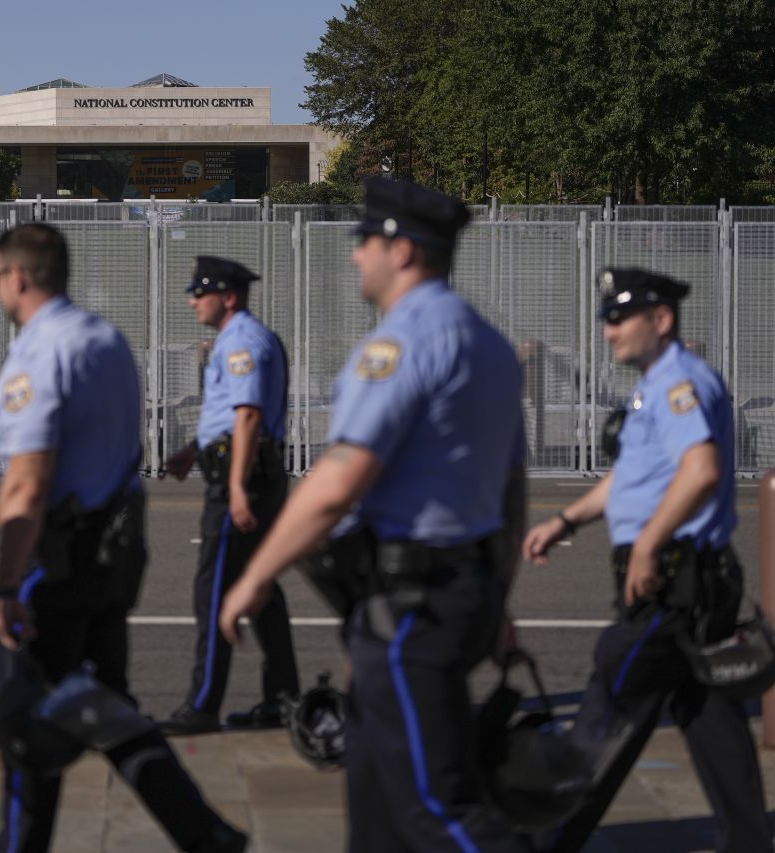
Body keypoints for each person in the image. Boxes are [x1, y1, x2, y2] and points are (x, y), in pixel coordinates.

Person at [219, 177, 528, 851]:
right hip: (454, 591)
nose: (356, 254)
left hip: (411, 608)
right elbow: (510, 489)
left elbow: (337, 483)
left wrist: (254, 577)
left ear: (404, 250)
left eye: (365, 240)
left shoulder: (401, 345)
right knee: (379, 804)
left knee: (432, 806)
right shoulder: (490, 345)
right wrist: (496, 588)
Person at [0, 223, 246, 853]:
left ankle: (20, 844)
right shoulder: (107, 340)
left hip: (60, 560)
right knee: (104, 705)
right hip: (114, 553)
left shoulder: (36, 355)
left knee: (29, 717)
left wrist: (6, 582)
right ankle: (202, 832)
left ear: (18, 277)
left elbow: (27, 481)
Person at [521, 268, 771, 853]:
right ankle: (749, 840)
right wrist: (565, 521)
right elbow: (630, 478)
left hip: (674, 582)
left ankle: (548, 835)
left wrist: (651, 544)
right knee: (710, 717)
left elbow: (702, 470)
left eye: (619, 319)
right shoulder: (653, 387)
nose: (609, 332)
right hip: (688, 581)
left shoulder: (680, 383)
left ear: (661, 320)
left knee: (611, 689)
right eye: (607, 319)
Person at [161, 256, 299, 735]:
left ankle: (202, 705)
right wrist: (190, 452)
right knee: (260, 590)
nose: (193, 299)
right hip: (246, 472)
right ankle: (284, 699)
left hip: (243, 480)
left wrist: (236, 486)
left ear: (230, 296)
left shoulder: (241, 341)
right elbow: (226, 420)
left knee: (214, 589)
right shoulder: (239, 338)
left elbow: (246, 418)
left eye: (202, 292)